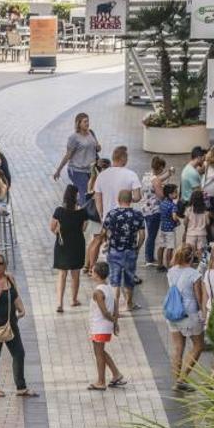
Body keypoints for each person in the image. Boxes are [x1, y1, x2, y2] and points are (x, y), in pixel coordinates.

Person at [0, 253, 37, 398]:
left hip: (10, 323)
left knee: (19, 353)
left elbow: (15, 295)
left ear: (5, 265)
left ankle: (21, 387)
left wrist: (21, 308)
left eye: (1, 263)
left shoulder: (9, 278)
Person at [166, 244, 206, 392]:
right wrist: (203, 313)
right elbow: (198, 297)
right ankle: (182, 379)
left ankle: (177, 381)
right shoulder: (194, 274)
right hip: (189, 313)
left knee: (178, 348)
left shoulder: (170, 272)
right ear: (191, 257)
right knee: (198, 345)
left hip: (173, 312)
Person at [100, 188, 146, 311]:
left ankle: (115, 308)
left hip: (114, 251)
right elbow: (142, 235)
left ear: (118, 200)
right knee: (129, 279)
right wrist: (137, 248)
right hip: (130, 250)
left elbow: (103, 232)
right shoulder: (137, 215)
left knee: (115, 281)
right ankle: (129, 304)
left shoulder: (112, 214)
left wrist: (106, 242)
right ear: (131, 200)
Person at [87, 261, 125, 391]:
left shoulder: (98, 292)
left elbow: (105, 312)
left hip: (99, 326)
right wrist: (115, 323)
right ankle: (116, 374)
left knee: (99, 354)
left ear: (97, 275)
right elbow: (115, 306)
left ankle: (101, 381)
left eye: (92, 271)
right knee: (101, 352)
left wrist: (113, 320)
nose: (91, 273)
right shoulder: (109, 288)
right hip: (105, 326)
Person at [50, 184, 87, 313]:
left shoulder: (59, 211)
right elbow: (84, 228)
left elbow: (52, 227)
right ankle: (73, 299)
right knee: (75, 274)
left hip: (62, 245)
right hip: (77, 244)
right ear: (76, 196)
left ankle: (59, 303)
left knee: (62, 274)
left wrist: (59, 232)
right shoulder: (82, 212)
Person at [52, 112, 100, 205]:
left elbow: (96, 148)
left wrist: (98, 147)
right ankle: (82, 211)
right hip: (77, 170)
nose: (87, 123)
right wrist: (58, 170)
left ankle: (71, 203)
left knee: (90, 192)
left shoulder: (91, 133)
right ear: (78, 123)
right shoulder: (74, 138)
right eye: (85, 122)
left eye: (88, 121)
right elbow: (68, 155)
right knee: (85, 194)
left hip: (91, 170)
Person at [94, 145, 141, 221]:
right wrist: (127, 199)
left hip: (108, 218)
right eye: (127, 158)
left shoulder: (101, 176)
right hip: (126, 218)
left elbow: (98, 199)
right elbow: (137, 197)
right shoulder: (132, 175)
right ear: (123, 159)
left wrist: (101, 215)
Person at [140, 156, 172, 267]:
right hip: (154, 210)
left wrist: (168, 174)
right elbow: (161, 195)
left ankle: (148, 256)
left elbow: (158, 179)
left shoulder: (146, 176)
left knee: (150, 234)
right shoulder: (156, 180)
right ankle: (149, 258)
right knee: (152, 235)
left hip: (145, 208)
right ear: (160, 167)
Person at [156, 183, 180, 270]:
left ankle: (160, 264)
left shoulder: (162, 203)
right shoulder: (173, 205)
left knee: (161, 246)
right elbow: (174, 217)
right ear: (170, 194)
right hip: (170, 230)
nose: (177, 194)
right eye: (175, 192)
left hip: (163, 228)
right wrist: (178, 220)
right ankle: (169, 265)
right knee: (170, 247)